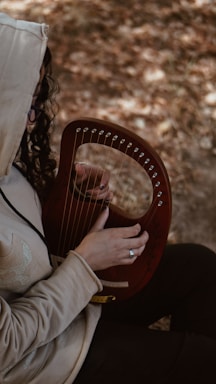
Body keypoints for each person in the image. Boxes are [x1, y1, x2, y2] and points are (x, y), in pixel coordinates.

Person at [0, 13, 216, 384]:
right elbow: (5, 348)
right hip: (44, 359)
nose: (32, 120)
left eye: (36, 102)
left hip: (70, 306)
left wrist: (68, 197)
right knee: (205, 359)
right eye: (25, 104)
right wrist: (84, 264)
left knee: (200, 268)